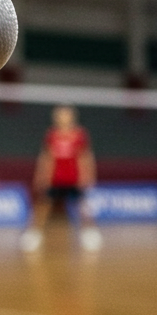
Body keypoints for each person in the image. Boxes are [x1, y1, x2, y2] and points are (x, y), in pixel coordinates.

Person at [21, 105, 101, 252]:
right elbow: (46, 157)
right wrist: (42, 175)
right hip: (55, 178)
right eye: (59, 115)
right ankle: (33, 234)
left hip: (74, 178)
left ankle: (89, 233)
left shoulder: (80, 134)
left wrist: (88, 175)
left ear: (72, 117)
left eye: (65, 115)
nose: (62, 118)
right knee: (43, 205)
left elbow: (85, 156)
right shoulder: (52, 134)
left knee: (82, 206)